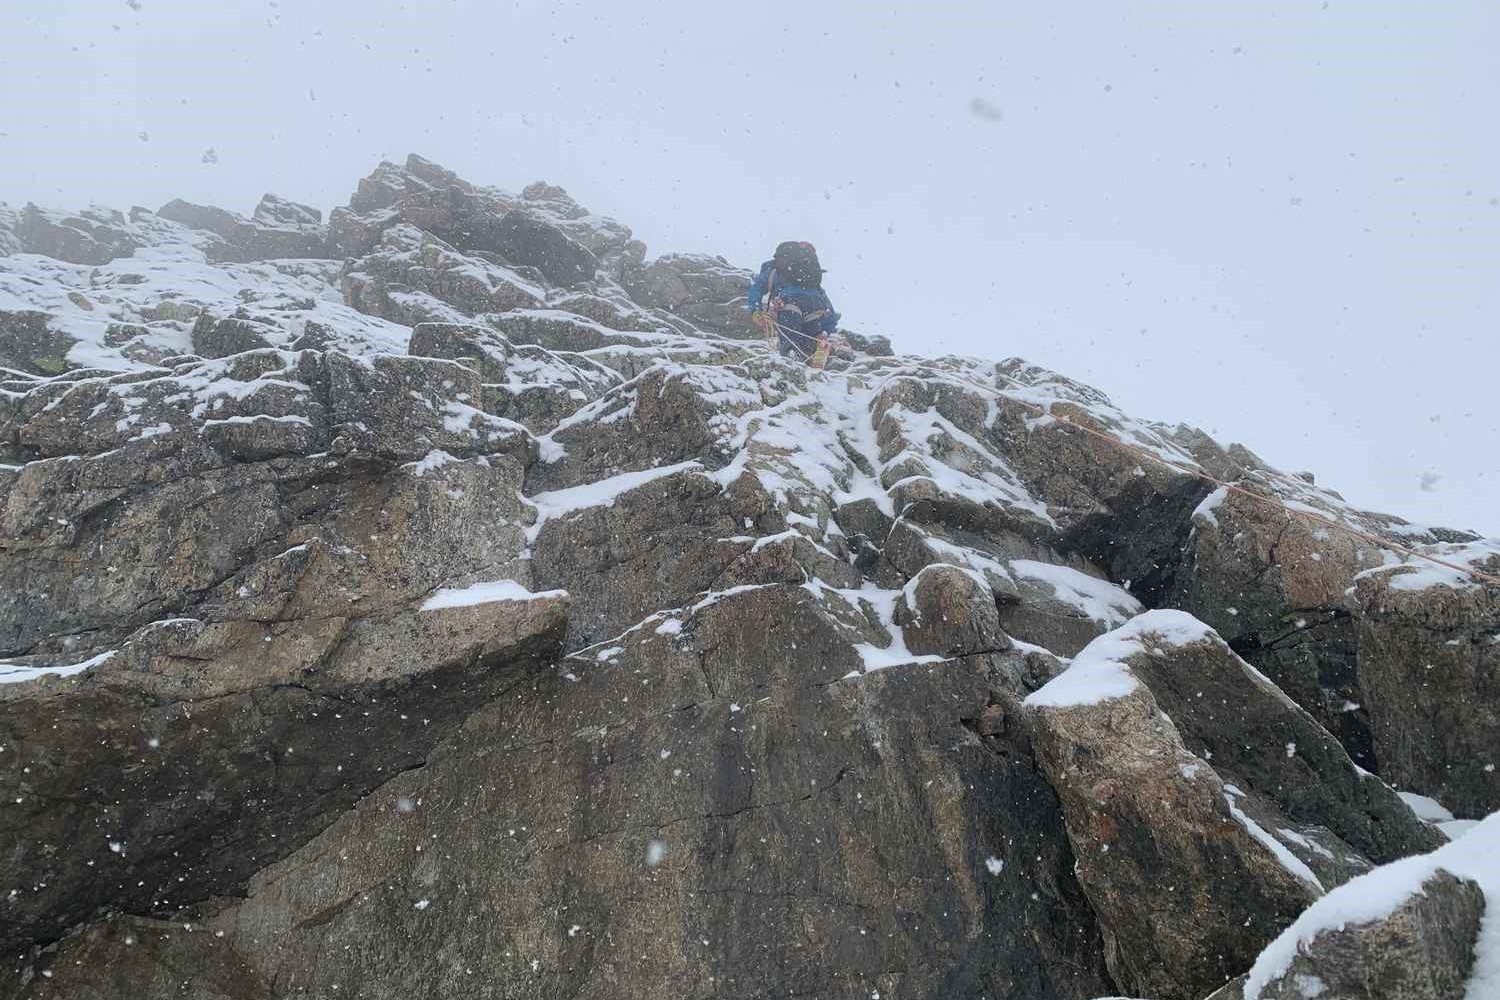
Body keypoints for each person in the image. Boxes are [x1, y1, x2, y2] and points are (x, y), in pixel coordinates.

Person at [747, 241, 840, 366]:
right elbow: (831, 312)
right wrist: (825, 332)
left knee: (790, 339)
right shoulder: (813, 281)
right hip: (816, 307)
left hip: (789, 303)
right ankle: (818, 349)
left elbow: (756, 289)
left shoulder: (774, 271)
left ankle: (791, 356)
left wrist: (756, 311)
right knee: (809, 339)